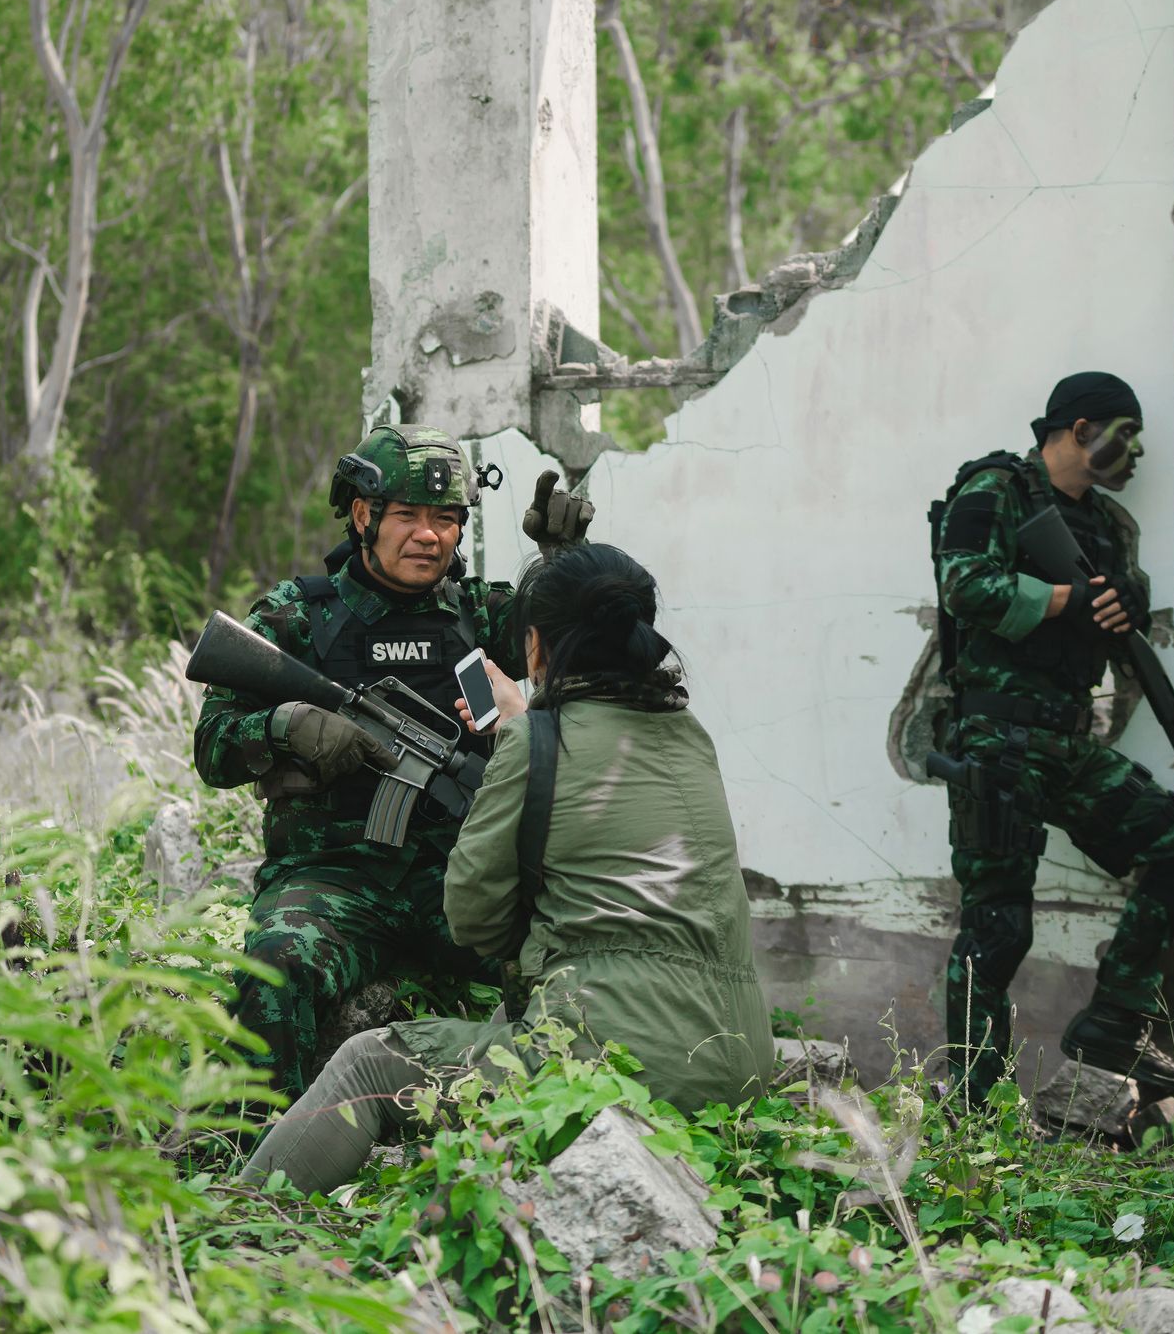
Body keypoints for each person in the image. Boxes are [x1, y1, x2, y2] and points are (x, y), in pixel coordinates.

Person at [240, 543, 772, 1193]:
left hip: (622, 1066)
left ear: (537, 651)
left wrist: (522, 741)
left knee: (368, 1066)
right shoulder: (692, 739)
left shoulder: (533, 743)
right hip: (737, 1064)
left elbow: (472, 921)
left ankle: (242, 1219)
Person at [193, 423, 593, 1099]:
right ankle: (253, 1159)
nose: (429, 536)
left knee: (567, 971)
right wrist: (286, 725)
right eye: (406, 516)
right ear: (361, 515)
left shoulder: (481, 613)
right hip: (333, 884)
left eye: (445, 519)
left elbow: (585, 643)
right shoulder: (296, 619)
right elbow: (213, 748)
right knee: (272, 966)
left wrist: (562, 564)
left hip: (460, 882)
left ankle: (548, 1126)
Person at [931, 371, 1174, 1102]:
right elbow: (966, 586)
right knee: (998, 929)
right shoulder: (996, 489)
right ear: (1081, 429)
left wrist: (1123, 606)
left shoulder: (1110, 528)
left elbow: (1122, 627)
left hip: (1065, 738)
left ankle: (1113, 1028)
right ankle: (974, 1109)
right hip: (995, 736)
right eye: (1127, 434)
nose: (1138, 453)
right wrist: (1070, 599)